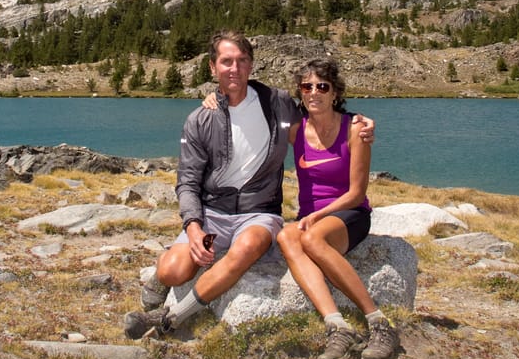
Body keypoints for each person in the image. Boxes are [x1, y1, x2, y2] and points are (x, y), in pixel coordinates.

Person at [123, 31, 374, 340]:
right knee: (174, 271)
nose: (235, 68)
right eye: (226, 61)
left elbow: (321, 117)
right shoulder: (200, 119)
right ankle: (161, 271)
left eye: (242, 61)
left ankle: (171, 317)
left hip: (258, 212)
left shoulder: (277, 103)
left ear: (251, 65)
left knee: (247, 247)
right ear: (213, 67)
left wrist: (359, 121)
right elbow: (187, 181)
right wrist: (194, 227)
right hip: (214, 213)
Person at [278, 58, 399, 359]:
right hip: (310, 218)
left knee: (312, 238)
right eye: (307, 87)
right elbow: (255, 104)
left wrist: (319, 216)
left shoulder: (355, 129)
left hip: (349, 213)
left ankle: (379, 323)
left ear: (335, 92)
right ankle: (338, 326)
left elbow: (357, 193)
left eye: (322, 86)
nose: (313, 92)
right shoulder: (296, 130)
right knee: (285, 237)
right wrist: (216, 97)